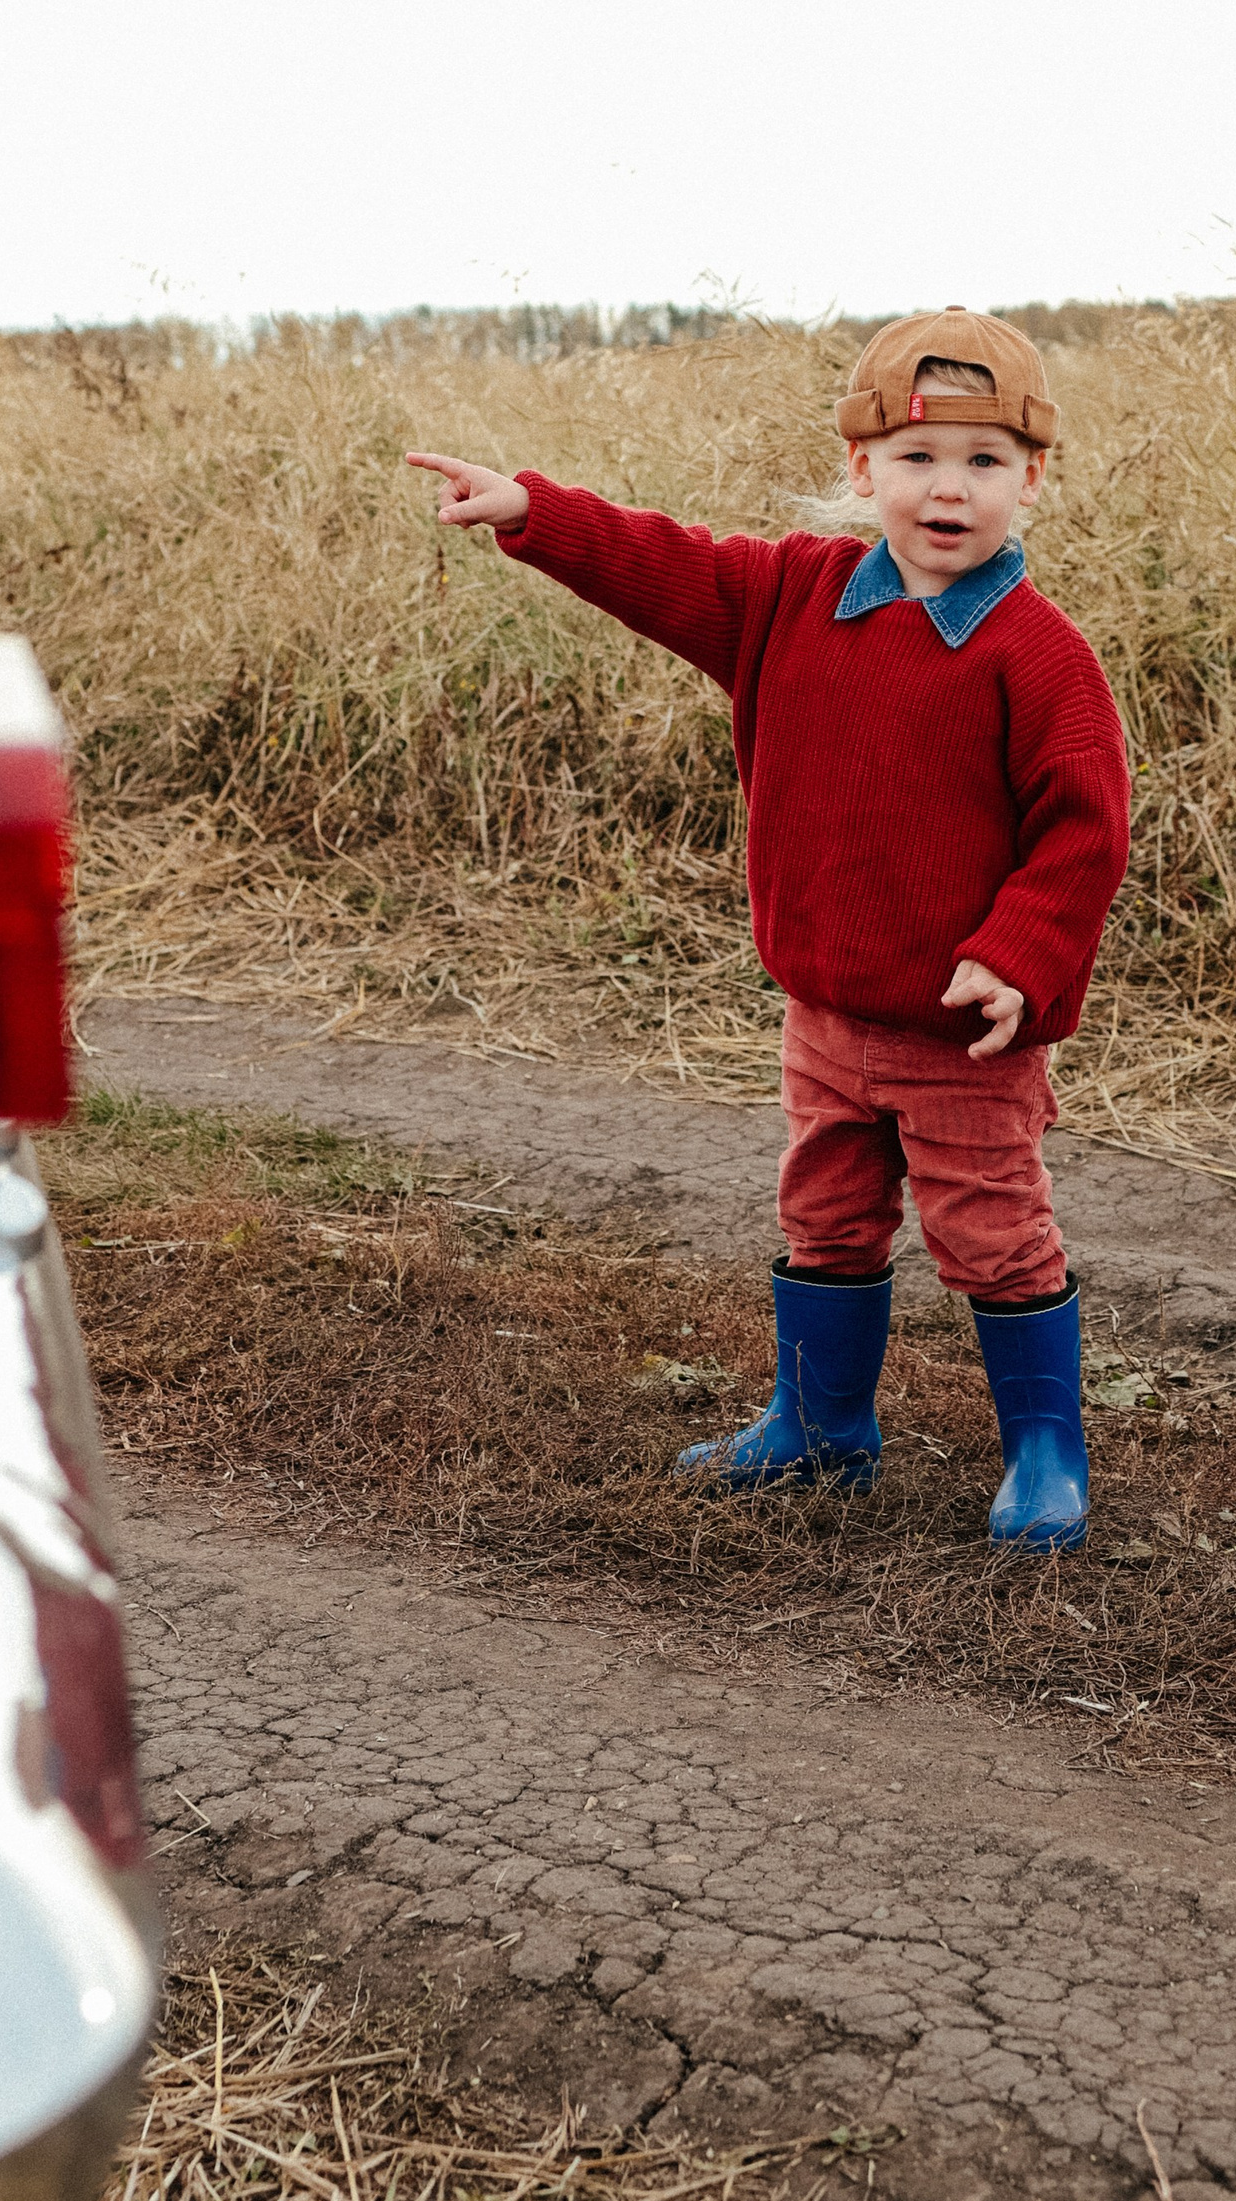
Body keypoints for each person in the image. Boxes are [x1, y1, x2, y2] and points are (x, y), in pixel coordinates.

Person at [407, 307, 1130, 1551]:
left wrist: (1017, 957)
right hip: (822, 1013)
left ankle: (1046, 1454)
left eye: (981, 463)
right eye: (916, 459)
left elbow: (1083, 834)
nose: (945, 489)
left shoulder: (1038, 655)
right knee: (825, 1214)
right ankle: (819, 1426)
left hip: (961, 1033)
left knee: (991, 1233)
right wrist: (532, 511)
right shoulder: (791, 595)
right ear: (863, 470)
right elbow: (661, 562)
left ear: (1030, 479)